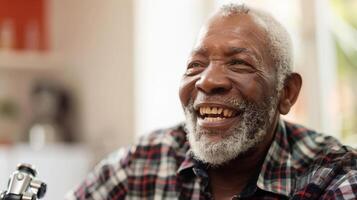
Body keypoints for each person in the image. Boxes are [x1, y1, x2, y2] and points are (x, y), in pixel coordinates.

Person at [66, 3, 357, 200]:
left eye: (239, 63)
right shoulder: (142, 164)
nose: (207, 81)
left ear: (287, 92)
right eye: (195, 65)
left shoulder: (333, 176)